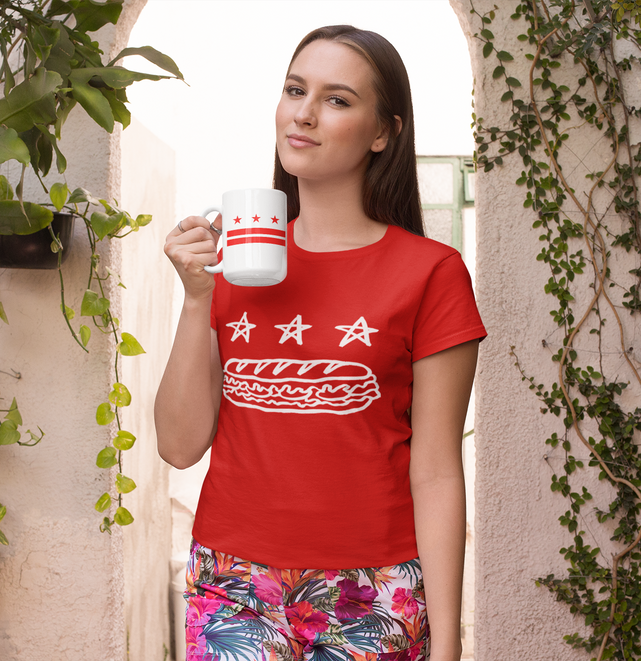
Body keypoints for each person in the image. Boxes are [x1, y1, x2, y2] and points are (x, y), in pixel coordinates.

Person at [155, 25, 486, 661]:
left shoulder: (431, 273)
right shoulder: (234, 264)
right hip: (233, 580)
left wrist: (448, 644)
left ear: (384, 131)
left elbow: (439, 470)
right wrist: (198, 298)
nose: (303, 113)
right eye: (294, 90)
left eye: (337, 100)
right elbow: (178, 444)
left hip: (374, 585)